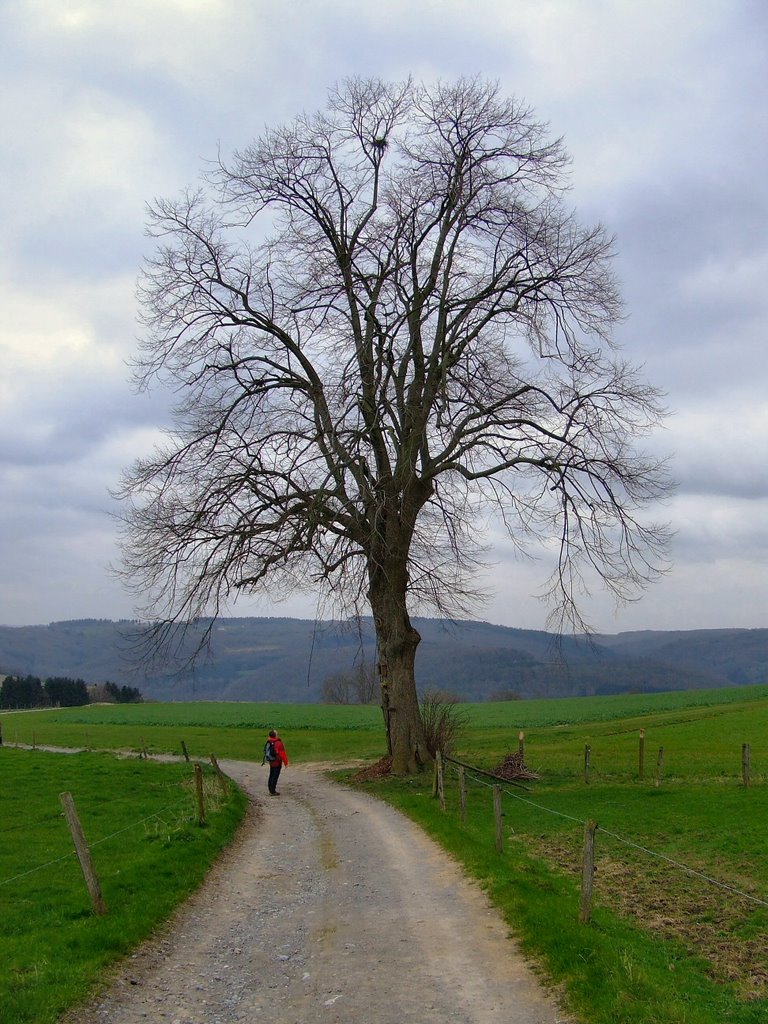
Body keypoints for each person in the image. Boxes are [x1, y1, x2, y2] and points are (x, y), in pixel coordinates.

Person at [265, 729, 288, 795]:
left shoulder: (269, 741)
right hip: (277, 762)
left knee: (271, 775)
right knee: (275, 776)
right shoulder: (278, 743)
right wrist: (285, 763)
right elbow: (282, 754)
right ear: (275, 735)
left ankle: (270, 789)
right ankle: (273, 791)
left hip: (271, 762)